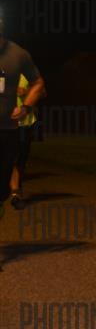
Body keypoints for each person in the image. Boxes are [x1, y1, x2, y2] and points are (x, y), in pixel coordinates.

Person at [0, 14, 45, 219]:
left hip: (7, 128)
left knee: (4, 184)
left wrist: (25, 107)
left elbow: (39, 84)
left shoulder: (18, 54)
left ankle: (9, 194)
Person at [9, 74, 39, 209]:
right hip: (6, 123)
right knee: (12, 157)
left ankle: (16, 188)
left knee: (22, 158)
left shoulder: (28, 72)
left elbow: (42, 92)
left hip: (25, 123)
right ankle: (15, 193)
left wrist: (26, 91)